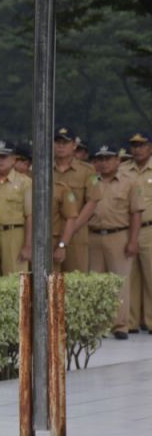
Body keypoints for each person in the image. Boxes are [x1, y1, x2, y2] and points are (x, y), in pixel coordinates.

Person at [87, 143, 144, 339]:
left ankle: (120, 325)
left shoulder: (130, 182)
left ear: (117, 160)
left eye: (108, 159)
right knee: (96, 283)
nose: (103, 163)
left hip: (119, 234)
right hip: (92, 235)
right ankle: (99, 325)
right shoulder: (90, 181)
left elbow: (136, 213)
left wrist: (133, 240)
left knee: (119, 282)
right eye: (99, 159)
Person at [53, 126, 102, 273]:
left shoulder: (86, 170)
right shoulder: (43, 169)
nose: (61, 146)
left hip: (76, 234)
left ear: (74, 145)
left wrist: (71, 230)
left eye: (65, 142)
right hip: (50, 234)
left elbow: (92, 201)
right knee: (51, 282)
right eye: (57, 142)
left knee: (76, 280)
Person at [0, 140, 31, 275]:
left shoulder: (25, 182)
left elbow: (30, 217)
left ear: (13, 159)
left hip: (14, 235)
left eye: (4, 157)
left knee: (17, 280)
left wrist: (27, 246)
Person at [121, 132, 152, 332]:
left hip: (150, 228)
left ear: (150, 147)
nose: (137, 149)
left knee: (151, 276)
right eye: (134, 145)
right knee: (129, 277)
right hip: (128, 228)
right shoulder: (124, 170)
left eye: (142, 145)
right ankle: (129, 322)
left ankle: (150, 321)